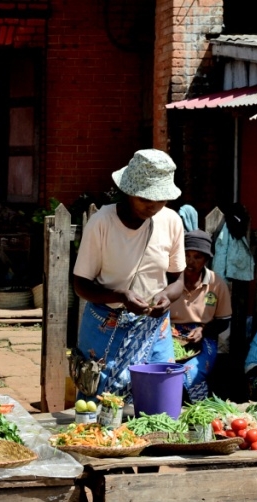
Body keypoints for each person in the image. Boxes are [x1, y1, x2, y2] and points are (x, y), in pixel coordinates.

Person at [71, 149, 186, 400]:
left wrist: (167, 296)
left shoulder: (171, 222)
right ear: (128, 191)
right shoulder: (101, 223)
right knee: (98, 405)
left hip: (155, 326)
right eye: (145, 197)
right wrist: (121, 296)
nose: (153, 205)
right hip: (105, 324)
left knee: (156, 402)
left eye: (161, 198)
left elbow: (178, 281)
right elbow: (80, 285)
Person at [170, 230, 231, 402]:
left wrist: (202, 330)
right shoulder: (170, 280)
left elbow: (224, 321)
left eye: (197, 257)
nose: (191, 262)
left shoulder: (216, 284)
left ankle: (193, 409)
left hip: (203, 337)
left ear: (206, 259)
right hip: (168, 335)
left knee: (191, 371)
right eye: (187, 255)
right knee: (164, 369)